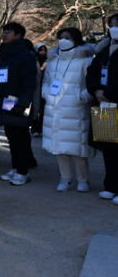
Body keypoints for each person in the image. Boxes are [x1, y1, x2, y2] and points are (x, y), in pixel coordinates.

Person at [41, 28, 94, 192]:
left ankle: (83, 179)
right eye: (60, 37)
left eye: (67, 38)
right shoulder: (53, 61)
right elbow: (46, 81)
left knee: (77, 148)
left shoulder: (85, 60)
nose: (63, 40)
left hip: (76, 109)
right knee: (58, 148)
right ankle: (65, 178)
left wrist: (82, 97)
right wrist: (46, 95)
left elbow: (91, 83)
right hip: (54, 108)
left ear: (76, 41)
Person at [0, 22, 38, 186]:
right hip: (6, 100)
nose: (4, 34)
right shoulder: (6, 54)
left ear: (18, 35)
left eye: (8, 32)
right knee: (11, 135)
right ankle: (15, 167)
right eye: (3, 31)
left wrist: (23, 105)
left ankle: (23, 172)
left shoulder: (26, 55)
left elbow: (28, 84)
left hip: (18, 103)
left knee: (21, 137)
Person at [86, 13, 118, 204]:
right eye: (112, 24)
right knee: (109, 148)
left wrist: (110, 93)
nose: (114, 27)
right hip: (104, 104)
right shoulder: (104, 50)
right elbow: (92, 72)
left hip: (113, 99)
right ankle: (111, 186)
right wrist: (96, 89)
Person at [32, 42, 49, 137]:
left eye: (44, 50)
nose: (42, 52)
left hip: (45, 87)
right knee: (35, 108)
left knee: (43, 109)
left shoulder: (49, 61)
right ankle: (35, 129)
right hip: (36, 87)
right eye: (40, 50)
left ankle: (41, 129)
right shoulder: (34, 59)